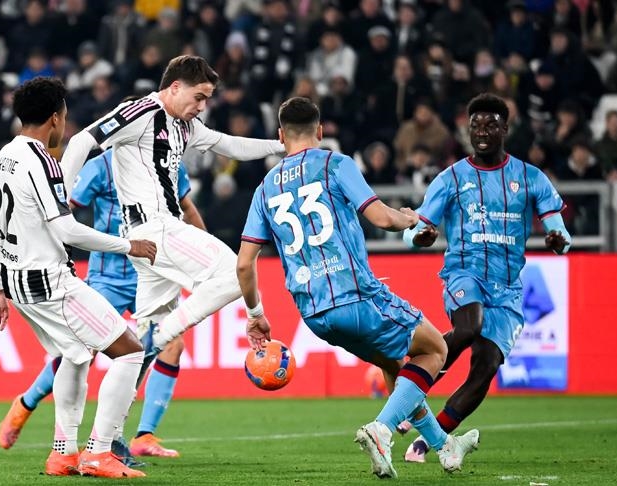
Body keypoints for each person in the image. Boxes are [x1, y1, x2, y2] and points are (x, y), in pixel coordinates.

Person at [236, 97, 480, 479]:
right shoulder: (335, 164)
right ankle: (382, 430)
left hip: (314, 313)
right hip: (355, 295)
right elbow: (380, 217)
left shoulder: (264, 188)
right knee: (436, 349)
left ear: (281, 136)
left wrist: (256, 316)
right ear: (320, 131)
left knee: (394, 365)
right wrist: (410, 219)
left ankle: (444, 447)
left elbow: (244, 263)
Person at [60, 55, 285, 377]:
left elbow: (229, 145)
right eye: (199, 97)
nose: (203, 106)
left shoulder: (185, 126)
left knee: (136, 355)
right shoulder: (140, 112)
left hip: (150, 240)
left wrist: (281, 146)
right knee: (235, 274)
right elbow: (83, 140)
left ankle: (116, 409)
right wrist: (59, 197)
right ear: (176, 87)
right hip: (156, 228)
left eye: (207, 99)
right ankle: (161, 334)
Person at [0, 77, 157, 479]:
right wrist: (129, 245)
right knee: (131, 351)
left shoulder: (2, 157)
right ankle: (99, 452)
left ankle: (63, 453)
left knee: (76, 355)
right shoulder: (42, 161)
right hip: (49, 281)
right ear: (56, 118)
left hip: (17, 283)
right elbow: (67, 230)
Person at [0, 148, 204, 461]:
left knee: (172, 345)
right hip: (108, 277)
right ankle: (26, 403)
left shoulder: (169, 163)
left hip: (153, 275)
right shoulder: (99, 167)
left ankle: (144, 435)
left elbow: (187, 209)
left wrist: (205, 258)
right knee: (83, 352)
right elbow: (62, 214)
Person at [402, 93, 571, 462]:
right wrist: (420, 237)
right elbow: (412, 230)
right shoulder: (451, 178)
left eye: (491, 124)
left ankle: (426, 441)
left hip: (507, 289)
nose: (482, 131)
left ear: (505, 128)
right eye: (475, 125)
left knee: (486, 367)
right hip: (464, 273)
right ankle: (410, 392)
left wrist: (559, 240)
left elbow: (560, 230)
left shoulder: (530, 177)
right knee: (469, 325)